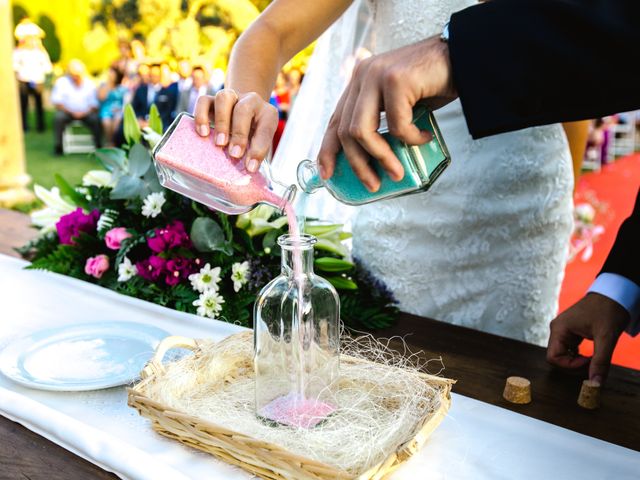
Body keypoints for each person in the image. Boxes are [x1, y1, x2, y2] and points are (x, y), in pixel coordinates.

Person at [195, 0, 575, 346]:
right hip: (393, 188)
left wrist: (566, 183)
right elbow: (271, 32)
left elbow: (587, 43)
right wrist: (246, 98)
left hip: (522, 200)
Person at [316, 0, 640, 383]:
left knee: (510, 384)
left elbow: (580, 61)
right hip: (405, 201)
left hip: (523, 208)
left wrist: (560, 193)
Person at [51, 59, 101, 154]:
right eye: (73, 75)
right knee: (58, 118)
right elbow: (57, 102)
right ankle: (58, 147)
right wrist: (71, 112)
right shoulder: (62, 82)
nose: (75, 78)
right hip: (67, 112)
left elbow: (94, 104)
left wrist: (84, 112)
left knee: (96, 119)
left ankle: (98, 146)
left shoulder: (89, 84)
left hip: (86, 113)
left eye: (77, 75)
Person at [12, 19, 52, 132]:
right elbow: (15, 65)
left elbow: (47, 67)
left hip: (37, 79)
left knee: (39, 104)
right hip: (24, 79)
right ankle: (24, 126)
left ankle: (41, 126)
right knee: (23, 105)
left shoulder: (40, 52)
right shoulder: (19, 52)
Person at [131, 62, 178, 130]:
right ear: (149, 75)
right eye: (152, 74)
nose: (154, 76)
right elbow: (135, 107)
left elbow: (167, 112)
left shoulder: (168, 93)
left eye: (157, 74)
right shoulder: (140, 90)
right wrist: (140, 120)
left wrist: (153, 122)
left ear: (160, 75)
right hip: (141, 123)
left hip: (160, 124)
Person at [98, 66, 127, 146]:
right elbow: (101, 98)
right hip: (106, 109)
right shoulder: (104, 85)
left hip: (118, 110)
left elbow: (126, 101)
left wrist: (119, 109)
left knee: (117, 122)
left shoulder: (122, 88)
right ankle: (109, 141)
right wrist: (108, 85)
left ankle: (114, 142)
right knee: (106, 123)